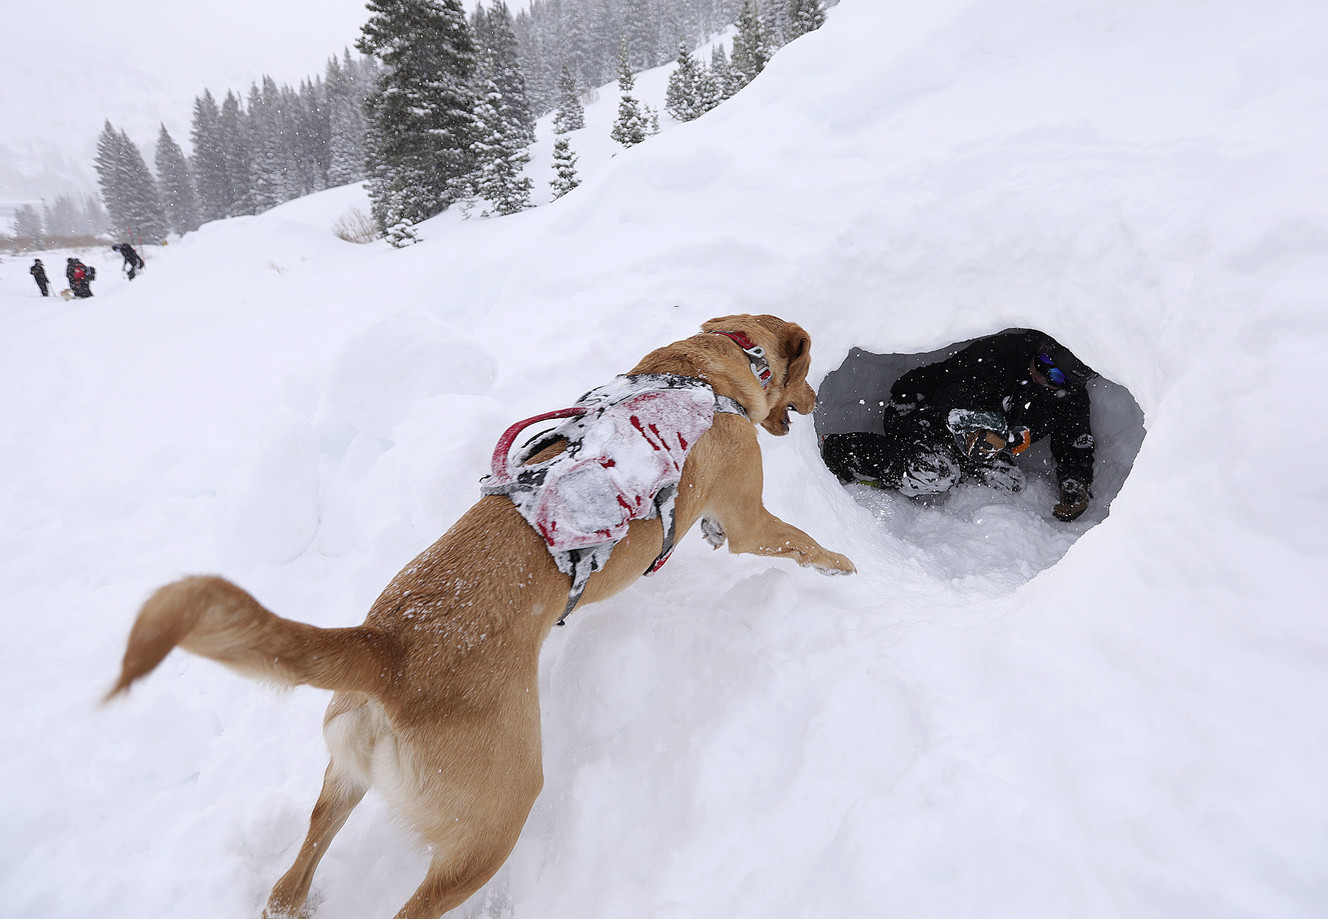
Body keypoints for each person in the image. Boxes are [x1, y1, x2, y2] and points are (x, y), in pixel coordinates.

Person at [821, 329, 1098, 521]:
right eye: (1044, 361)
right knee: (936, 473)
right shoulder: (1000, 355)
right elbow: (955, 392)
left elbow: (1074, 442)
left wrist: (1075, 484)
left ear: (1073, 384)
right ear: (1040, 348)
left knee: (1010, 483)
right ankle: (838, 451)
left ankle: (932, 461)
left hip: (975, 438)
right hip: (922, 409)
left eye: (1056, 376)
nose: (1043, 374)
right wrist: (973, 426)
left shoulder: (1069, 400)